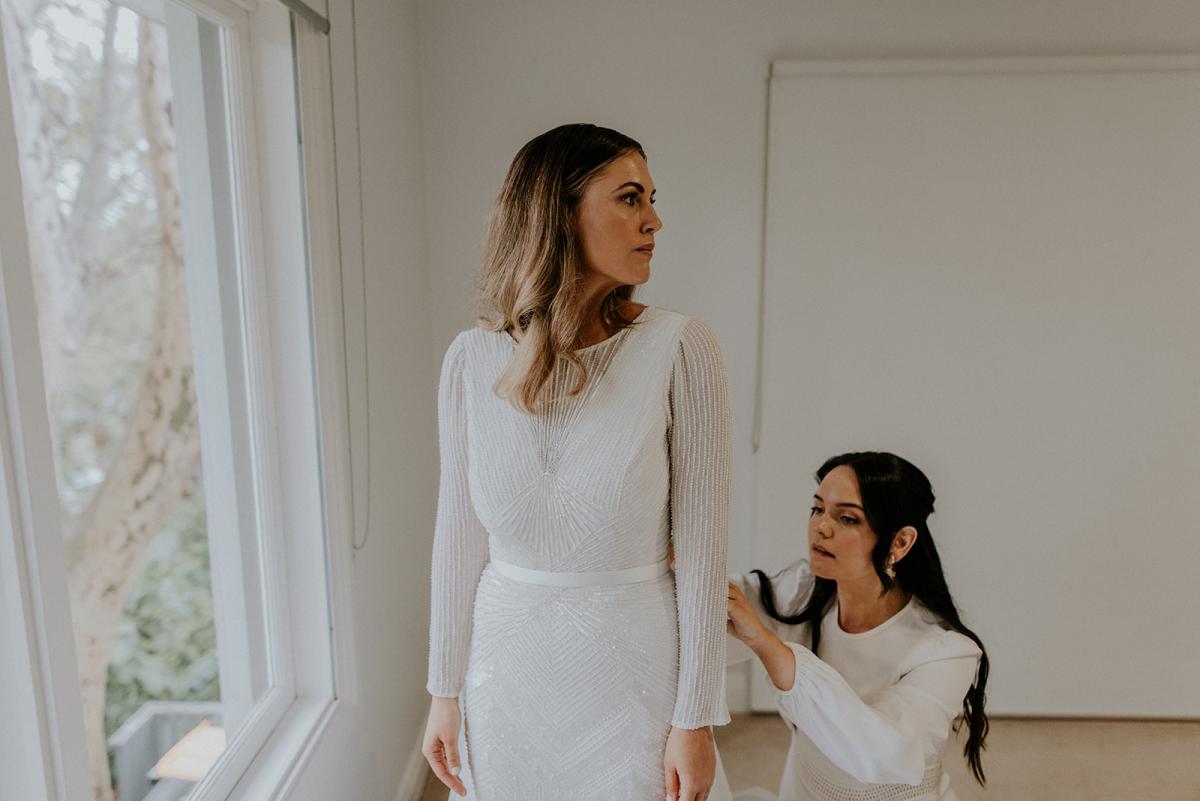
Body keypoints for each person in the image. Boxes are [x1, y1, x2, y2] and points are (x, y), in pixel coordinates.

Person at [421, 123, 733, 801]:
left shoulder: (681, 348)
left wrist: (696, 717)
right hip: (503, 681)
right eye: (629, 198)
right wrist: (444, 690)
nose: (654, 219)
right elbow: (458, 541)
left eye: (651, 198)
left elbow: (705, 555)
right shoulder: (469, 362)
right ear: (561, 214)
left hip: (633, 678)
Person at [722, 451, 989, 801]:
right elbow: (718, 605)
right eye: (817, 508)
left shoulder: (946, 652)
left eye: (847, 518)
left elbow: (882, 754)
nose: (822, 527)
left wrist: (766, 643)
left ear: (900, 542)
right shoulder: (804, 593)